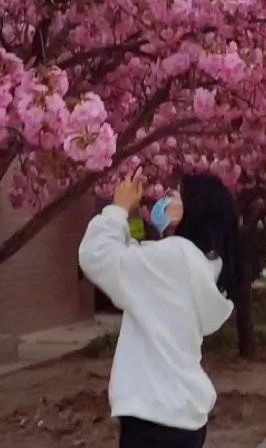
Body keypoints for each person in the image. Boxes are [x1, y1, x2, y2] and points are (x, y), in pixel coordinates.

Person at [78, 171, 240, 448]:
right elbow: (138, 257)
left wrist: (117, 209)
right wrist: (134, 225)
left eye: (175, 195)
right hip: (183, 415)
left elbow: (98, 255)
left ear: (193, 210)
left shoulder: (174, 258)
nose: (166, 199)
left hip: (153, 415)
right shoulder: (201, 265)